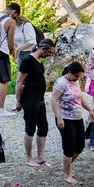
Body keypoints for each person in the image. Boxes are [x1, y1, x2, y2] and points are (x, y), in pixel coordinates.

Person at [52, 61, 94, 184]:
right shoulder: (61, 83)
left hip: (77, 117)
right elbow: (54, 100)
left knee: (80, 146)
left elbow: (80, 97)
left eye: (79, 77)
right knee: (69, 146)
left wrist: (90, 109)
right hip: (65, 118)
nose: (77, 79)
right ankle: (67, 175)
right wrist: (59, 118)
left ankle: (66, 167)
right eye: (76, 76)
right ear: (70, 72)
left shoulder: (75, 81)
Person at [18, 39, 55, 167]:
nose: (50, 55)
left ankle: (40, 156)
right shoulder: (28, 61)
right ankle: (29, 158)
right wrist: (18, 101)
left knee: (43, 126)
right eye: (49, 52)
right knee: (30, 128)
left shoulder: (39, 61)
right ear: (43, 49)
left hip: (40, 98)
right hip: (29, 98)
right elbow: (19, 81)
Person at [7, 4, 39, 113]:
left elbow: (32, 41)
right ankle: (18, 102)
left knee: (27, 79)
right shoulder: (14, 26)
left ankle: (30, 101)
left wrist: (19, 49)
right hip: (21, 54)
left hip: (29, 54)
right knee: (20, 80)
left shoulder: (26, 25)